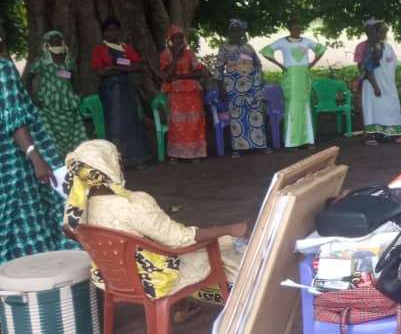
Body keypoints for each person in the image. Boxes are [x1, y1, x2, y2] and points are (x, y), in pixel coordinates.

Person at [65, 140, 246, 316]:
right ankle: (240, 304)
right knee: (218, 247)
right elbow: (179, 238)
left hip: (110, 278)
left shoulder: (78, 209)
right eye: (118, 161)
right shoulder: (134, 203)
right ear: (109, 166)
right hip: (153, 280)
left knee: (158, 244)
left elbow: (71, 231)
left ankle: (182, 307)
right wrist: (229, 230)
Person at [0, 30, 69, 265]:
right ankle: (34, 271)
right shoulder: (3, 69)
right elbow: (14, 119)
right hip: (14, 160)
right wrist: (35, 158)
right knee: (27, 216)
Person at [91, 17, 149, 168]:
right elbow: (101, 71)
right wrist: (125, 68)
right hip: (111, 91)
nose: (112, 33)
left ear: (120, 31)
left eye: (115, 30)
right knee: (115, 123)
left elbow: (139, 65)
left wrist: (115, 68)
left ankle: (138, 159)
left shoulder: (126, 47)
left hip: (127, 89)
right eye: (109, 30)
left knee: (132, 121)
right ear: (104, 32)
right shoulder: (99, 49)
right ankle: (118, 161)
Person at [261, 20, 325, 148]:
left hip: (303, 77)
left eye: (299, 28)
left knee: (305, 106)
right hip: (291, 78)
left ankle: (308, 140)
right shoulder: (282, 42)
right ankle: (292, 142)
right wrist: (280, 65)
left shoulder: (306, 41)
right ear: (289, 29)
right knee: (292, 107)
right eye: (294, 28)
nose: (297, 30)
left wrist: (313, 63)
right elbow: (266, 51)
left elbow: (320, 49)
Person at [24, 30, 88, 158]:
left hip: (68, 100)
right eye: (53, 42)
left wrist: (77, 93)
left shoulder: (68, 58)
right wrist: (32, 97)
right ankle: (57, 159)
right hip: (48, 102)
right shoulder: (42, 60)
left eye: (59, 41)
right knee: (51, 134)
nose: (57, 44)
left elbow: (72, 76)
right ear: (48, 44)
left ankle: (75, 156)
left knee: (74, 131)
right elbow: (28, 78)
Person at [214, 19, 268, 156]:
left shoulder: (248, 47)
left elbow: (258, 64)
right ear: (229, 32)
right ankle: (238, 148)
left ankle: (259, 145)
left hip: (252, 87)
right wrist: (221, 88)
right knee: (237, 116)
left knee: (255, 114)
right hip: (233, 88)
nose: (236, 34)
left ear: (242, 33)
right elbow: (219, 68)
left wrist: (259, 80)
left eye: (239, 31)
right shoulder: (224, 48)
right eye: (233, 31)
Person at [357, 20, 401, 146]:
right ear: (374, 32)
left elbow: (392, 65)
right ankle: (371, 136)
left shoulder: (387, 47)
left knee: (391, 107)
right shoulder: (370, 49)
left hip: (388, 84)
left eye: (385, 32)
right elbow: (368, 69)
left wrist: (392, 82)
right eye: (381, 32)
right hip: (374, 85)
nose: (383, 34)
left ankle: (394, 134)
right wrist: (375, 87)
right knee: (374, 109)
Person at [159, 25, 208, 163]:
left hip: (192, 92)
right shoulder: (165, 55)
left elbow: (199, 73)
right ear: (170, 39)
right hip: (176, 93)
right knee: (177, 123)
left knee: (194, 121)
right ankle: (176, 154)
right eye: (175, 37)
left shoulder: (190, 54)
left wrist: (181, 76)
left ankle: (195, 153)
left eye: (180, 37)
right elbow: (168, 76)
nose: (178, 40)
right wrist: (175, 57)